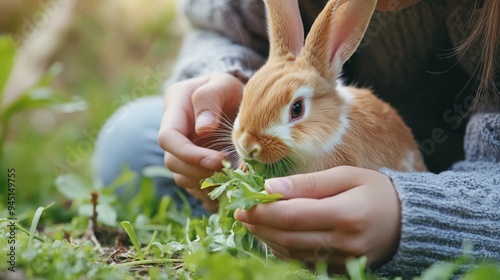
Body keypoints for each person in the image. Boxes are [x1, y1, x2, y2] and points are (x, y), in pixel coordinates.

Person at [93, 0, 500, 277]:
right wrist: (220, 75)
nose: (251, 148)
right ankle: (272, 227)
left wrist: (408, 219)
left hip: (470, 184)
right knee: (130, 141)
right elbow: (221, 25)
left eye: (296, 111)